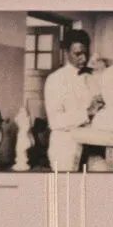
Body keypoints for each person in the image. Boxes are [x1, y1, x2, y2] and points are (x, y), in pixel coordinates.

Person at [43, 29, 105, 171]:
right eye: (78, 54)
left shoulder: (92, 78)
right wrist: (87, 113)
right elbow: (55, 121)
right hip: (65, 146)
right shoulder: (55, 79)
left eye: (86, 53)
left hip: (91, 143)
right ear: (66, 52)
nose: (83, 58)